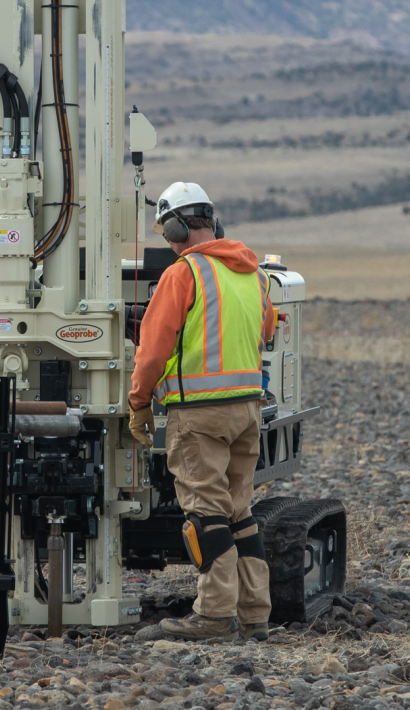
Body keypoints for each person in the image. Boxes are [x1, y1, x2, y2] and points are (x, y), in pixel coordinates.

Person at [127, 182, 277, 642]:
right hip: (248, 410)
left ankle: (212, 617)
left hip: (200, 414)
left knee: (206, 516)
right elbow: (267, 327)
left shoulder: (183, 273)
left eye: (168, 234)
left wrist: (138, 402)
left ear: (175, 227)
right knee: (240, 513)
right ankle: (255, 617)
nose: (168, 245)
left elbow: (153, 352)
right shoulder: (251, 272)